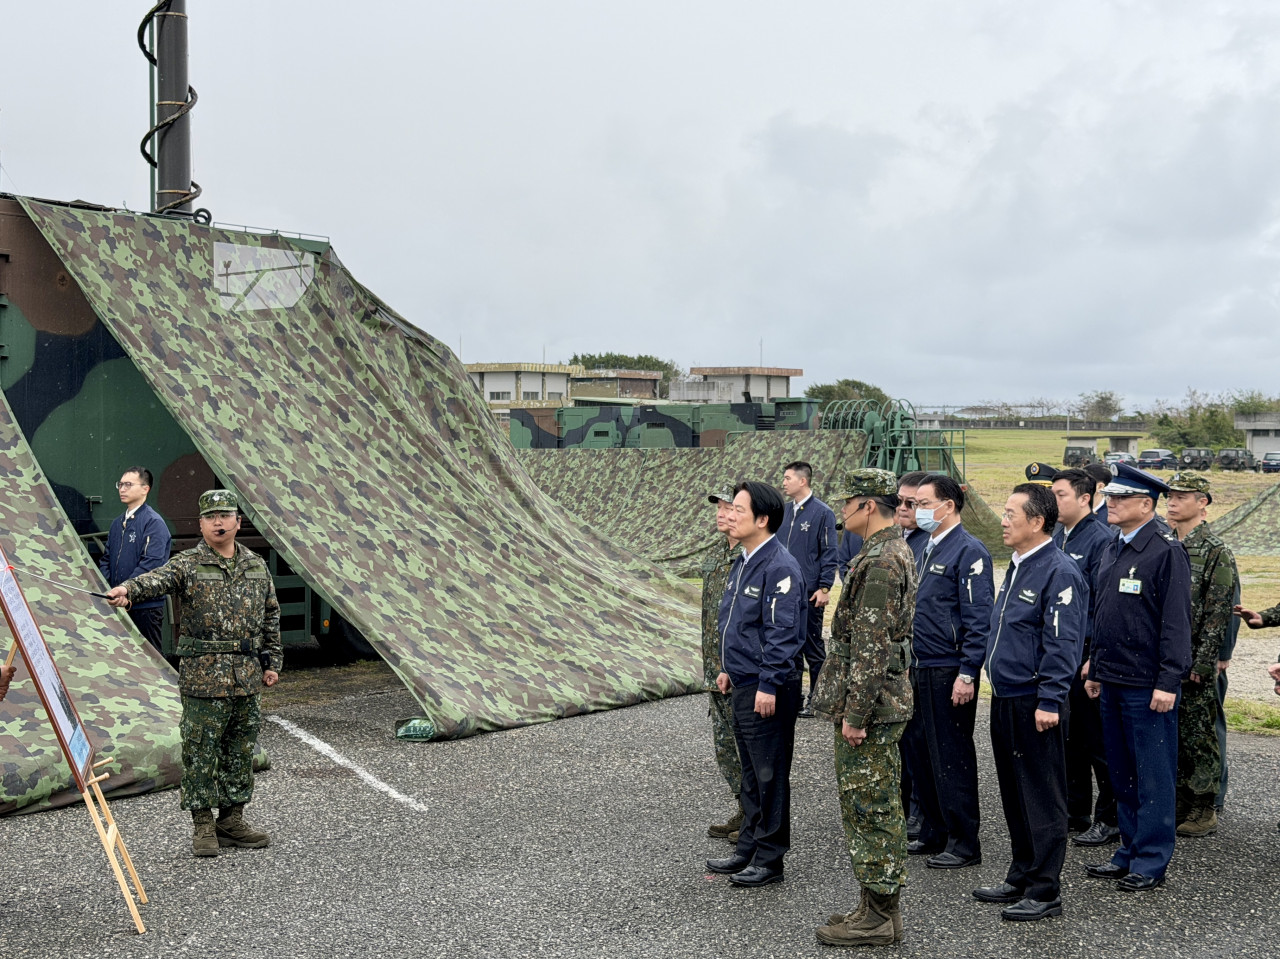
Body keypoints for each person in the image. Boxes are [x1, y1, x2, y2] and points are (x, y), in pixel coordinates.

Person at [106, 489, 282, 858]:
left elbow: (270, 615)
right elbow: (156, 579)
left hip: (246, 677)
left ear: (238, 521)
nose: (218, 522)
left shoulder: (255, 565)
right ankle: (203, 825)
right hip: (203, 677)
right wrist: (127, 591)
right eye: (210, 517)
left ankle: (231, 820)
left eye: (225, 515)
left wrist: (272, 663)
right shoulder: (188, 564)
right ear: (200, 524)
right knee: (201, 751)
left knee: (240, 750)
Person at [811, 469, 915, 947]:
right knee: (871, 802)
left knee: (870, 805)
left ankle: (878, 916)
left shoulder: (882, 560)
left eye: (849, 502)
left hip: (872, 708)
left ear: (868, 506)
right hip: (877, 702)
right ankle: (876, 906)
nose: (843, 512)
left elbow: (871, 648)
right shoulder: (883, 552)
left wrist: (854, 716)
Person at [974, 484, 1086, 922]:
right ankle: (1021, 873)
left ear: (1037, 521)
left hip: (1036, 702)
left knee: (1041, 796)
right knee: (1015, 794)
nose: (1002, 520)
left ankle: (1045, 889)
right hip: (1006, 698)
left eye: (1009, 513)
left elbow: (1062, 644)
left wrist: (1051, 699)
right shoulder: (1019, 565)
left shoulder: (1058, 571)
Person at [1083, 463, 1191, 892]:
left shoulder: (1165, 550)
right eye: (1109, 497)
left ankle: (1150, 860)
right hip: (1113, 677)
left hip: (1148, 684)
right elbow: (1104, 611)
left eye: (1120, 499)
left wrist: (1168, 681)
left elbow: (1176, 623)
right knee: (1122, 772)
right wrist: (1095, 664)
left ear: (1145, 505)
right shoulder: (1115, 545)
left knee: (1152, 774)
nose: (1110, 504)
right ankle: (1128, 849)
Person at [706, 481, 805, 887]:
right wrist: (732, 666)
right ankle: (748, 846)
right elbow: (740, 626)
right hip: (744, 681)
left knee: (769, 774)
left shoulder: (778, 566)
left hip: (769, 687)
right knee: (751, 773)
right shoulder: (745, 560)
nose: (729, 515)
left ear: (763, 520)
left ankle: (770, 857)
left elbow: (783, 633)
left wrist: (767, 683)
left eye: (739, 509)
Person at [904, 472, 993, 870]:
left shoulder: (968, 551)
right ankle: (934, 830)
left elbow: (978, 619)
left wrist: (968, 671)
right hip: (919, 663)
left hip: (948, 667)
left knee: (951, 755)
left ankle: (963, 840)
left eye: (923, 504)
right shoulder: (927, 548)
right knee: (920, 751)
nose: (916, 511)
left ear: (948, 506)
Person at [1050, 468, 1120, 847]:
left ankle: (1109, 817)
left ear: (1085, 498)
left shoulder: (1100, 539)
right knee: (1070, 738)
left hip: (1086, 655)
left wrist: (1093, 656)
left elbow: (1103, 605)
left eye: (1061, 495)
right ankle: (1076, 810)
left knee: (1097, 742)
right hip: (1065, 653)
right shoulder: (1060, 535)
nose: (1055, 501)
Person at [1166, 472, 1237, 838]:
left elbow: (1219, 610)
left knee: (1199, 734)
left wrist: (1205, 661)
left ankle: (1204, 806)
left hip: (1195, 659)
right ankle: (1181, 799)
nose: (1173, 502)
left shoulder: (1214, 549)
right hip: (1167, 658)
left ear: (1202, 502)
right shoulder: (1165, 542)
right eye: (1171, 495)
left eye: (1182, 496)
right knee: (1174, 732)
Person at [780, 461, 839, 717]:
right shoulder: (782, 512)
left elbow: (829, 552)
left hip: (809, 594)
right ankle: (793, 698)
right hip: (784, 593)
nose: (783, 482)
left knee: (812, 648)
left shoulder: (822, 513)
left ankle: (817, 699)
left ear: (803, 481)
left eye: (788, 478)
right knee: (787, 646)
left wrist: (825, 587)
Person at [701, 487, 743, 843]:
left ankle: (756, 816)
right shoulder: (717, 553)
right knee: (725, 746)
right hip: (715, 668)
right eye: (720, 509)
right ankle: (745, 806)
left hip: (738, 670)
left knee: (746, 745)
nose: (722, 514)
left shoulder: (750, 557)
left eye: (731, 508)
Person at [99, 467, 172, 657]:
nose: (122, 489)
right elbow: (106, 559)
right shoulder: (117, 523)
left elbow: (152, 565)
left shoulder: (153, 523)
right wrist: (112, 590)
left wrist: (126, 590)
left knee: (151, 661)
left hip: (145, 607)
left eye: (128, 485)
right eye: (120, 484)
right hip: (118, 603)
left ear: (145, 489)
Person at [892, 470, 929, 840]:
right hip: (900, 659)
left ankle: (919, 813)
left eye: (912, 503)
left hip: (922, 657)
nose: (903, 509)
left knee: (919, 744)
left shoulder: (925, 543)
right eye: (899, 502)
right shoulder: (896, 539)